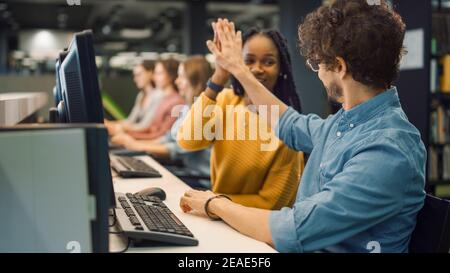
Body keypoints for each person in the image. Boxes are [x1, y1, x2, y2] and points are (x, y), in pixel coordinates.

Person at [180, 0, 426, 253]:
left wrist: (214, 203)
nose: (318, 73)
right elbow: (288, 123)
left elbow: (294, 229)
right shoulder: (349, 123)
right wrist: (237, 70)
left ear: (339, 67)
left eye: (317, 64)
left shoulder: (386, 151)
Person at [176, 26, 305, 209]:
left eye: (268, 62)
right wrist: (219, 77)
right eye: (248, 61)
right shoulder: (226, 100)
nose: (257, 69)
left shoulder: (286, 125)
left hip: (252, 228)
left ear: (280, 69)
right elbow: (187, 141)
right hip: (215, 212)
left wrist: (213, 202)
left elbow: (272, 203)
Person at [111, 56, 213, 188]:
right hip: (186, 172)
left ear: (195, 80)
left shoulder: (205, 111)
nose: (177, 81)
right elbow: (166, 138)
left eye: (181, 77)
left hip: (198, 179)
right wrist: (135, 143)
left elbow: (176, 150)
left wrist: (134, 144)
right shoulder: (186, 108)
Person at [112, 58, 184, 142]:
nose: (154, 77)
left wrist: (130, 137)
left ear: (171, 75)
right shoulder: (163, 98)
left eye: (159, 73)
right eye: (155, 73)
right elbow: (150, 129)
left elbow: (162, 135)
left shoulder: (175, 101)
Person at [105, 60, 164, 135]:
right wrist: (110, 123)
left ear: (150, 73)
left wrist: (115, 126)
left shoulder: (158, 95)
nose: (135, 79)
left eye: (139, 75)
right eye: (135, 75)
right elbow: (130, 120)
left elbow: (145, 126)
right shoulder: (141, 95)